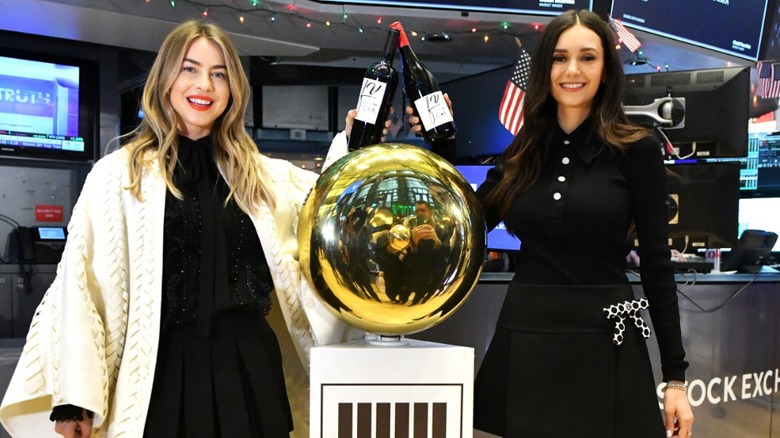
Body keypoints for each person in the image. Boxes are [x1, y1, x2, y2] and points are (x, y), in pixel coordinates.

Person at [0, 20, 368, 438]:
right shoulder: (120, 176)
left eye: (219, 74)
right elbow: (80, 287)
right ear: (165, 80)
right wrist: (73, 398)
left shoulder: (262, 178)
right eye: (190, 69)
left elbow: (326, 204)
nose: (204, 85)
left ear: (233, 90)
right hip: (161, 372)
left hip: (251, 369)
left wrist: (353, 145)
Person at [407, 9, 694, 438]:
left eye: (587, 58)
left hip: (605, 340)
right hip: (527, 338)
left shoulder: (637, 149)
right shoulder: (523, 152)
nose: (572, 70)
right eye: (560, 58)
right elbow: (466, 222)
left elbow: (656, 265)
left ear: (606, 69)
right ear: (546, 68)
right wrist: (443, 145)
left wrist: (675, 379)